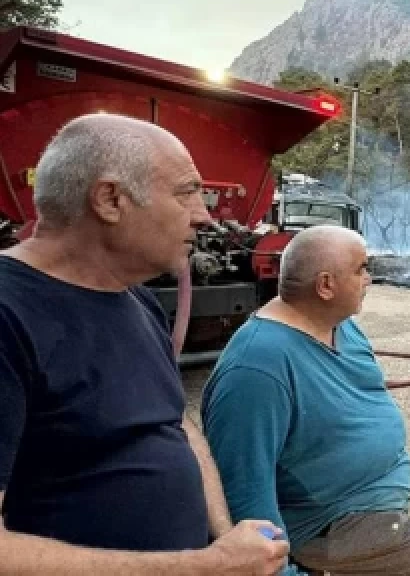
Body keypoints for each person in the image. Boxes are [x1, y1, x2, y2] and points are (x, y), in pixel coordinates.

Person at [0, 113, 291, 575]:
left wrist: (224, 533)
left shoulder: (136, 298)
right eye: (186, 193)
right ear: (110, 199)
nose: (204, 215)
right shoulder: (8, 314)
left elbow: (175, 422)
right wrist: (205, 566)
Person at [201, 224, 410, 576]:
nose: (369, 279)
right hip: (320, 523)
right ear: (325, 286)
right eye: (361, 269)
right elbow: (244, 490)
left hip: (360, 503)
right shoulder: (258, 367)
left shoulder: (340, 324)